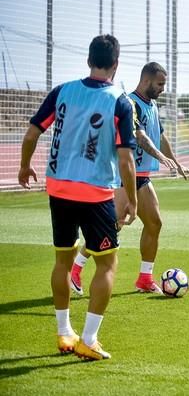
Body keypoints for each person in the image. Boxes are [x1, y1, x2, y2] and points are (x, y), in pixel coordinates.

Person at [18, 35, 137, 360]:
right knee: (108, 264)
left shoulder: (62, 92)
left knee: (62, 260)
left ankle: (63, 333)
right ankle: (88, 338)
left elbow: (31, 133)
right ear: (116, 64)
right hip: (95, 191)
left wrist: (25, 166)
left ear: (88, 60)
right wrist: (132, 199)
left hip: (58, 188)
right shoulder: (119, 100)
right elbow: (126, 159)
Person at [70, 62, 189, 295]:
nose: (162, 89)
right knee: (111, 227)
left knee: (154, 223)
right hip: (122, 176)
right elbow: (141, 138)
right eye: (160, 84)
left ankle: (145, 279)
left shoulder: (153, 105)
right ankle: (75, 269)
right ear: (146, 81)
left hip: (143, 177)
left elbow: (159, 136)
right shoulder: (129, 103)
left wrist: (176, 163)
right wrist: (159, 155)